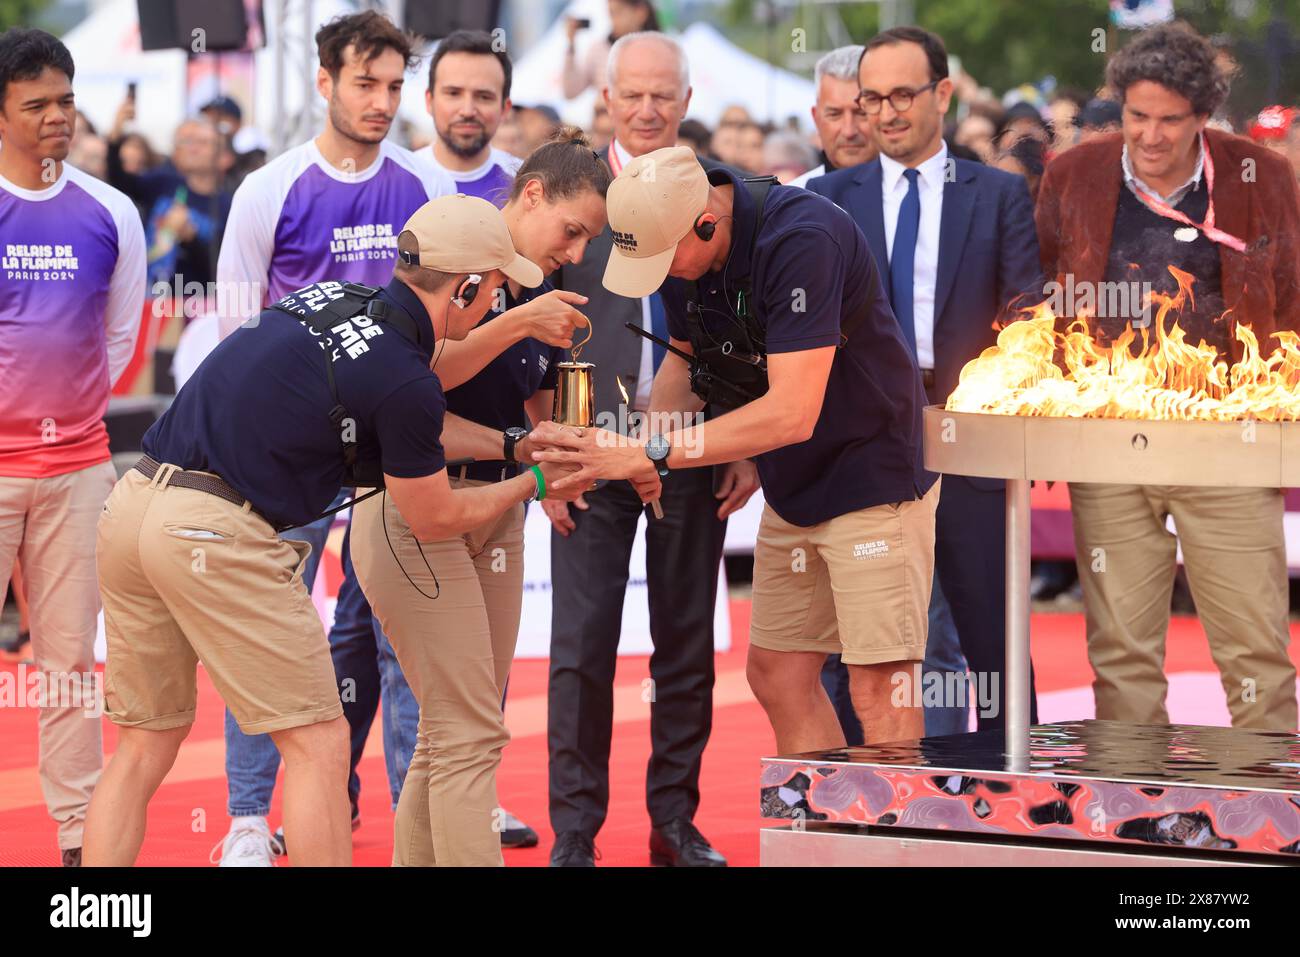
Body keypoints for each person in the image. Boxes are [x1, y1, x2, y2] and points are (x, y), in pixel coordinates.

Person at [82, 194, 575, 867]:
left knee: (142, 745)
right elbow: (435, 513)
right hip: (217, 530)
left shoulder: (337, 299)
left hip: (135, 501)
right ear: (464, 286)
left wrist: (516, 447)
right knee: (318, 742)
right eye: (494, 289)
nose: (498, 301)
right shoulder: (403, 376)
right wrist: (543, 482)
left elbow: (408, 418)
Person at [532, 144, 938, 757]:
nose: (665, 276)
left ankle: (897, 849)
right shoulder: (678, 251)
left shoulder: (803, 238)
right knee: (777, 673)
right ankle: (828, 838)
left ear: (707, 221)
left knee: (881, 685)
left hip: (874, 477)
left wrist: (655, 453)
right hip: (794, 485)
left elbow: (791, 412)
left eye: (668, 261)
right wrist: (635, 447)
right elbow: (684, 353)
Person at [211, 10, 456, 866]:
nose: (383, 102)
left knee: (401, 640)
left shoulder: (425, 192)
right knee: (267, 637)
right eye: (365, 83)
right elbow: (235, 332)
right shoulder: (268, 189)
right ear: (324, 82)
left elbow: (440, 331)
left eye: (395, 86)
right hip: (288, 460)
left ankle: (412, 820)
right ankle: (246, 821)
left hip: (390, 455)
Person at [351, 132, 608, 867]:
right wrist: (520, 320)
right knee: (467, 731)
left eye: (587, 237)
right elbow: (421, 377)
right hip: (416, 502)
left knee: (453, 728)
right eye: (572, 229)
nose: (578, 251)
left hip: (498, 507)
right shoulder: (457, 254)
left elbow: (524, 408)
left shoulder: (541, 293)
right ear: (532, 194)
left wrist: (552, 452)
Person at [1036, 21, 1300, 731]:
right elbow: (1041, 294)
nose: (1150, 136)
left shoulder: (1261, 173)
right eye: (1136, 117)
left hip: (1229, 440)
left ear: (1204, 117)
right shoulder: (1072, 174)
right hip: (1108, 439)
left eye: (1170, 121)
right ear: (1118, 107)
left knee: (1256, 653)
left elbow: (1294, 296)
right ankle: (1134, 816)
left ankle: (1272, 826)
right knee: (1120, 654)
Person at [544, 31, 759, 869]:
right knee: (582, 648)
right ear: (605, 97)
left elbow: (748, 331)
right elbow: (526, 334)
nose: (645, 109)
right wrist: (549, 459)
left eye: (661, 95)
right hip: (589, 446)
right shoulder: (574, 191)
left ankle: (674, 822)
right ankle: (574, 833)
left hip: (692, 445)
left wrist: (742, 444)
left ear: (686, 99)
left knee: (685, 647)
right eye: (630, 94)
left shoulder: (716, 197)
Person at [810, 27, 1043, 736]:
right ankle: (864, 801)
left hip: (969, 440)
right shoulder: (825, 197)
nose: (883, 113)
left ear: (942, 93)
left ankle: (1016, 797)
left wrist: (992, 418)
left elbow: (1030, 318)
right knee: (863, 646)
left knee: (993, 641)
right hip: (863, 450)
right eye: (871, 98)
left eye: (901, 95)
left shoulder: (999, 194)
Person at [0, 27, 145, 867]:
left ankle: (76, 838)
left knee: (68, 667)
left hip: (78, 468)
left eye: (66, 100)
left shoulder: (109, 210)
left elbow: (120, 335)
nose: (58, 117)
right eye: (36, 106)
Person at [107, 104, 235, 288]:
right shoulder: (165, 183)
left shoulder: (228, 207)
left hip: (195, 304)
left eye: (204, 143)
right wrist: (115, 139)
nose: (193, 148)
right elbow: (121, 182)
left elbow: (224, 270)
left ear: (225, 158)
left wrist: (191, 237)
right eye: (191, 142)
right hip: (149, 297)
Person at [420, 30, 521, 203]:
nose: (467, 111)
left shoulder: (526, 183)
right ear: (430, 101)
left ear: (505, 108)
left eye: (484, 97)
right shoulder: (399, 180)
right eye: (453, 93)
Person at [789, 45, 876, 189]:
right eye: (835, 114)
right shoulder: (792, 202)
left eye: (862, 113)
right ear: (816, 118)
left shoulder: (914, 195)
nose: (849, 131)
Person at [563, 0, 660, 100]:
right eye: (610, 13)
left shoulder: (662, 52)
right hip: (607, 114)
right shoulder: (599, 49)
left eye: (618, 12)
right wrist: (571, 45)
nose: (613, 21)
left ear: (641, 12)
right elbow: (570, 92)